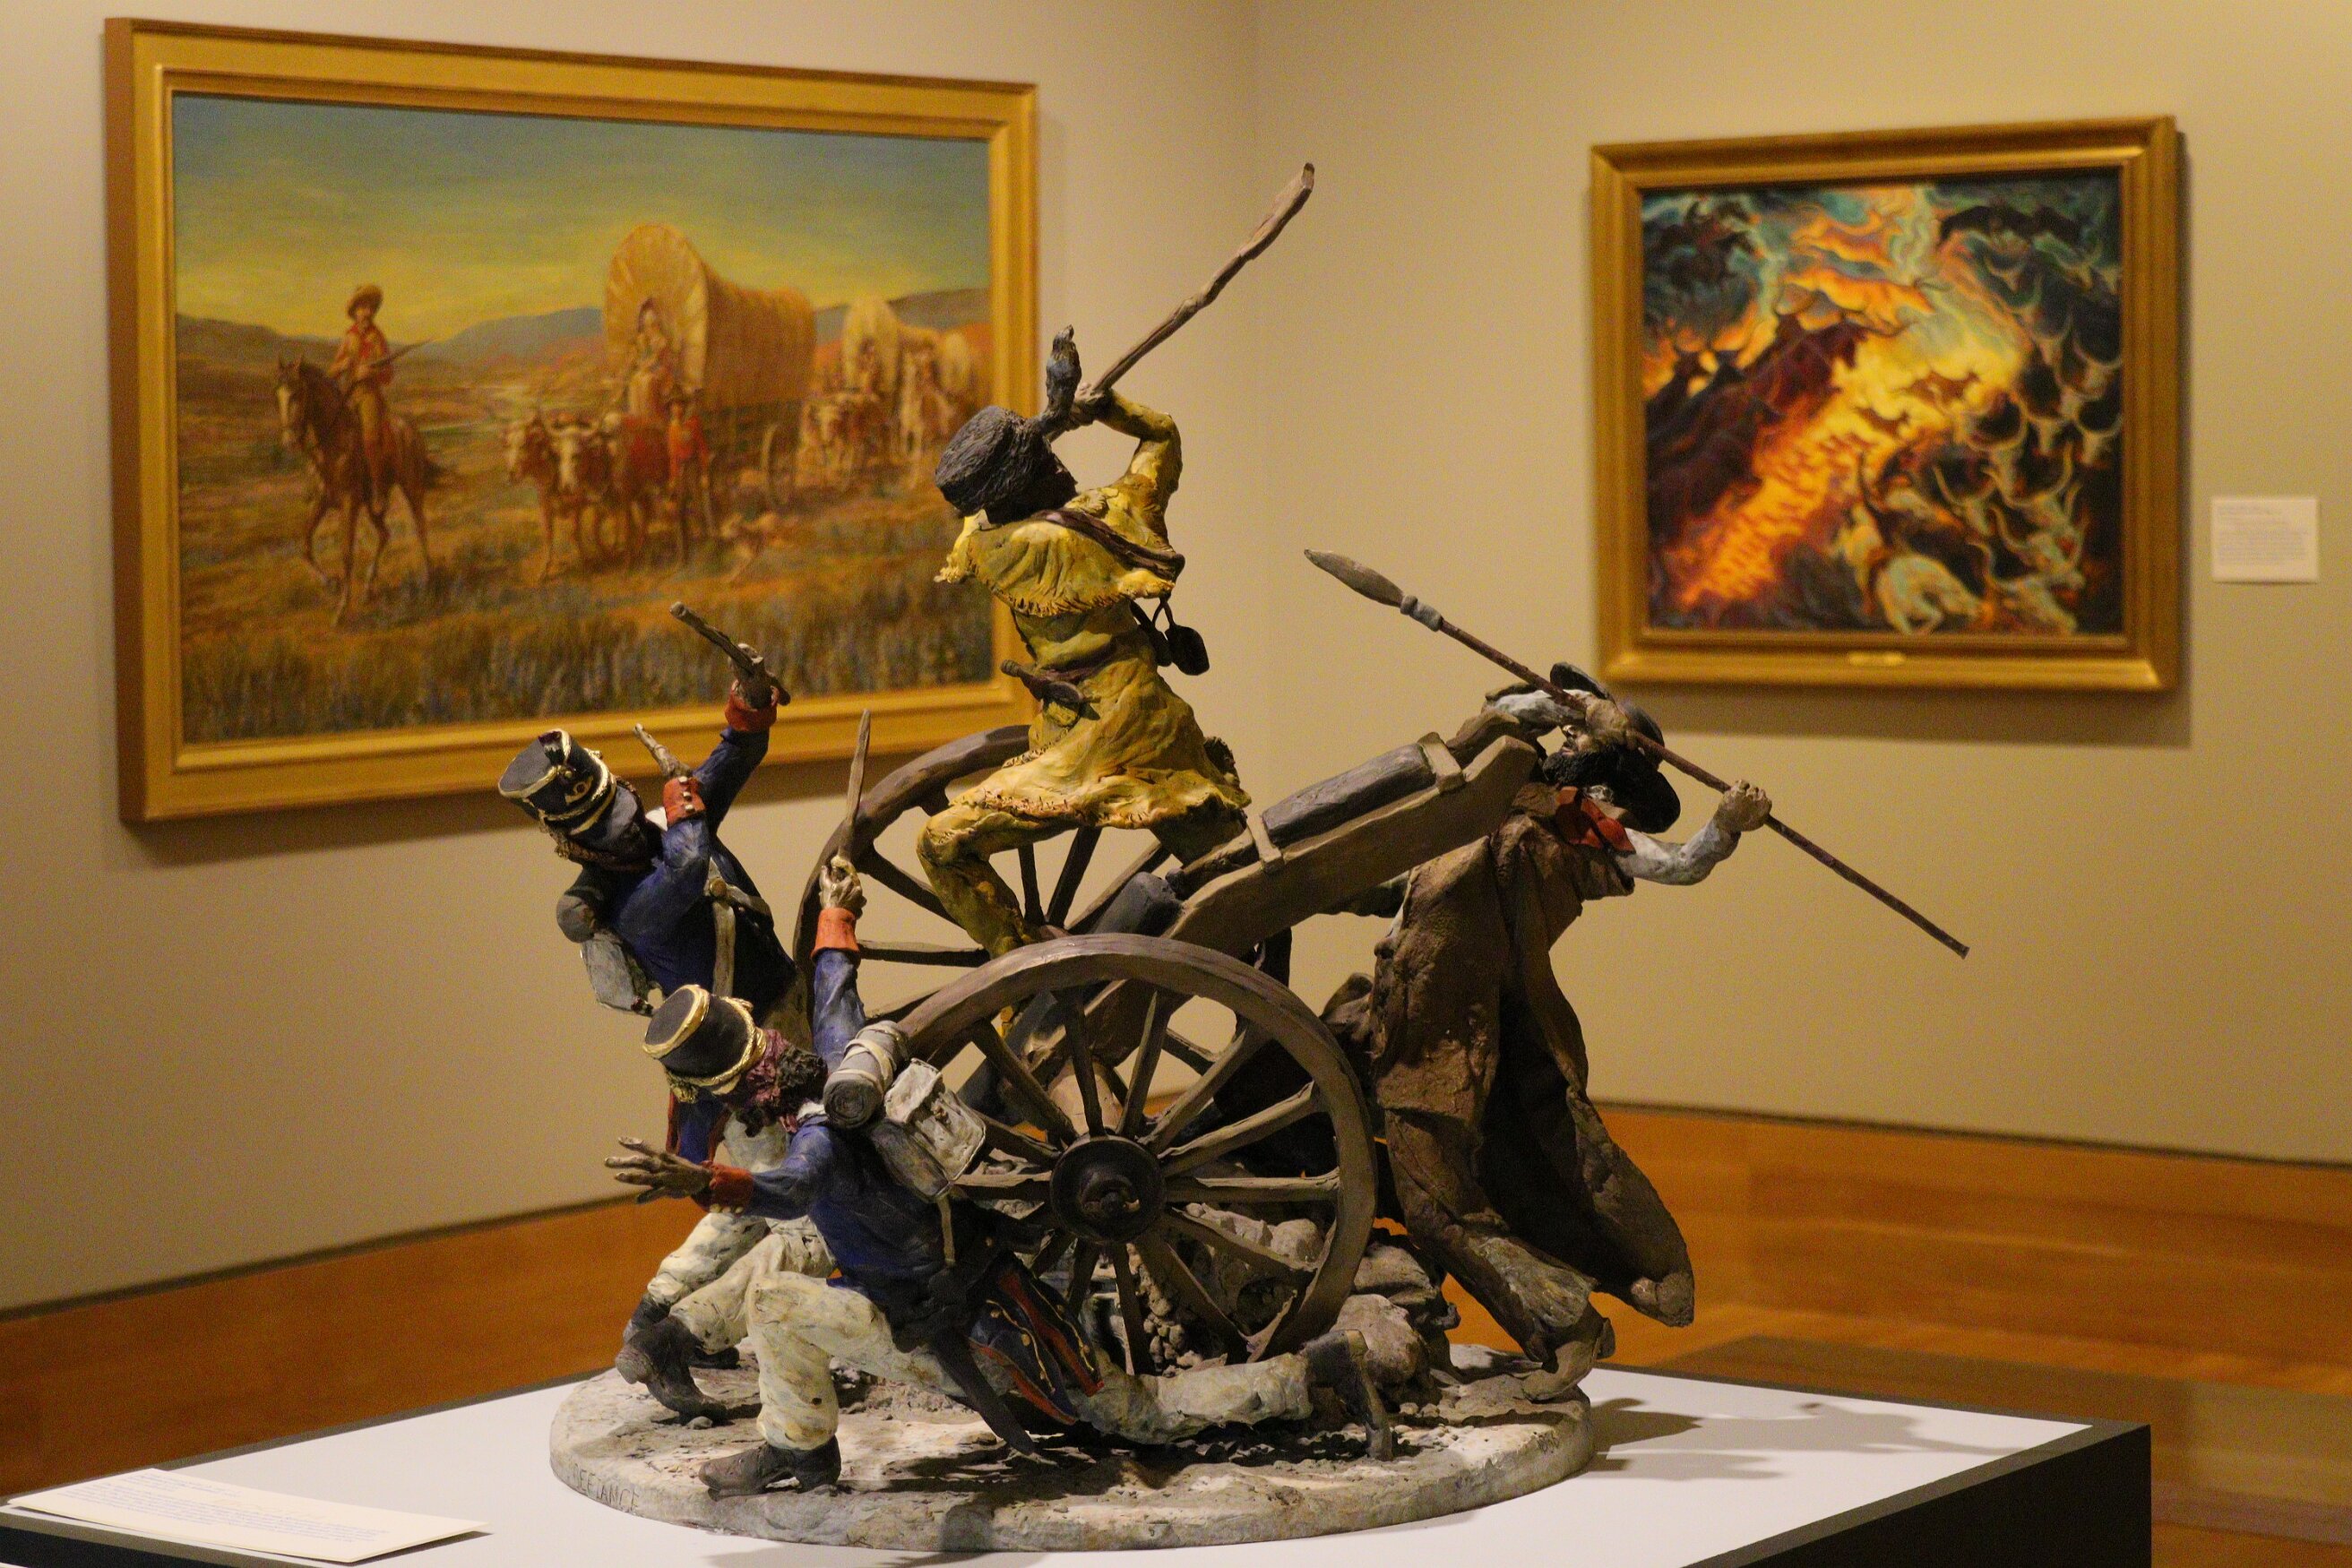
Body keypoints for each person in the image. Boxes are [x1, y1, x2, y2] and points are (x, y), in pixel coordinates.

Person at [607, 858, 1395, 1496]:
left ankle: (1308, 1376)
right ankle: (699, 1360)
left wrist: (705, 1180)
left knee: (1133, 1413)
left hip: (946, 1322)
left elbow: (790, 1191)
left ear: (734, 1092)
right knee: (787, 1267)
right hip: (983, 1278)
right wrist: (837, 911)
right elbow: (833, 988)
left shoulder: (815, 1140)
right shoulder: (844, 1061)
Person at [1322, 666, 1772, 1376]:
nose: (1566, 742)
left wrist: (1725, 825)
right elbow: (1494, 724)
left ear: (1609, 776)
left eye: (1583, 742)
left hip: (1443, 1040)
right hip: (1389, 1008)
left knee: (1439, 1209)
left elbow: (1681, 864)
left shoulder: (1582, 832)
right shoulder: (1487, 798)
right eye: (1567, 733)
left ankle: (1565, 1324)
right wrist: (1579, 705)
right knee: (1321, 1111)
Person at [921, 332, 1246, 955]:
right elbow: (1162, 437)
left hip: (1100, 738)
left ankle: (1022, 978)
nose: (1059, 464)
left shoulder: (993, 547)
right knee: (1234, 871)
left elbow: (978, 517)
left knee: (940, 844)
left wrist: (1049, 420)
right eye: (1045, 460)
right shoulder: (1107, 516)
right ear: (1031, 477)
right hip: (1143, 722)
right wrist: (1105, 409)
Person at [496, 678, 793, 1022]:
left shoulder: (675, 824)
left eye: (626, 811)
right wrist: (682, 799)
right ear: (578, 849)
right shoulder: (630, 911)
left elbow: (732, 764)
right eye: (612, 834)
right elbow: (687, 867)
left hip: (790, 992)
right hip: (737, 1043)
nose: (632, 829)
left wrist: (749, 713)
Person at [327, 284, 395, 504]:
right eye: (362, 308)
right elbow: (331, 373)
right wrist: (342, 365)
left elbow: (388, 375)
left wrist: (371, 372)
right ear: (355, 312)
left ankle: (377, 487)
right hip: (348, 395)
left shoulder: (378, 337)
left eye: (370, 308)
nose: (367, 312)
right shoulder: (348, 337)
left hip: (369, 396)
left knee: (369, 439)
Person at [625, 297, 678, 418]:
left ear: (657, 325)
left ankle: (650, 416)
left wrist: (645, 365)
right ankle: (637, 415)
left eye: (652, 325)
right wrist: (639, 358)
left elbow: (656, 361)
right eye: (646, 326)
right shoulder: (646, 342)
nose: (649, 329)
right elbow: (643, 359)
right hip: (649, 371)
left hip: (662, 373)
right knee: (634, 381)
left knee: (647, 382)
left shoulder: (661, 341)